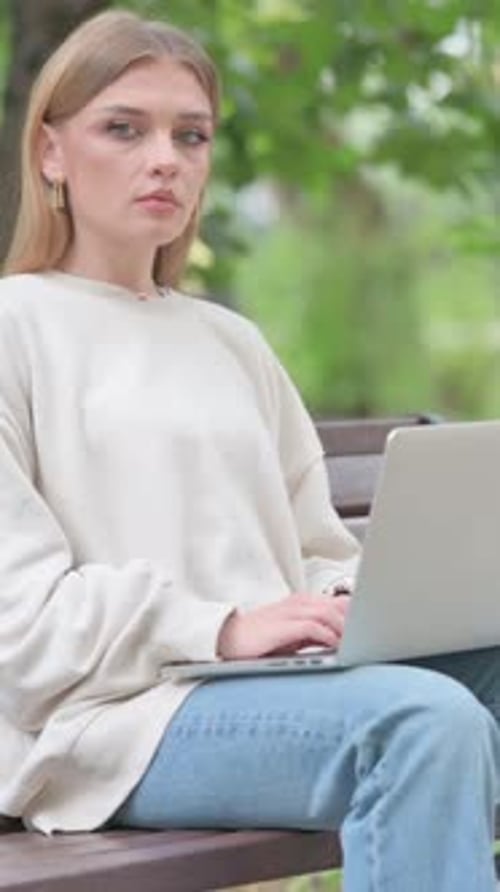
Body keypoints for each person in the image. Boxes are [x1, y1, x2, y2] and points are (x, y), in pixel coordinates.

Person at [0, 8, 499, 890]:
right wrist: (220, 626)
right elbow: (19, 619)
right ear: (50, 153)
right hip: (110, 725)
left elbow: (315, 549)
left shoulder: (229, 342)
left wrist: (349, 603)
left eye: (190, 136)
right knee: (417, 723)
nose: (166, 159)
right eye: (125, 128)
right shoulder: (17, 330)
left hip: (277, 690)